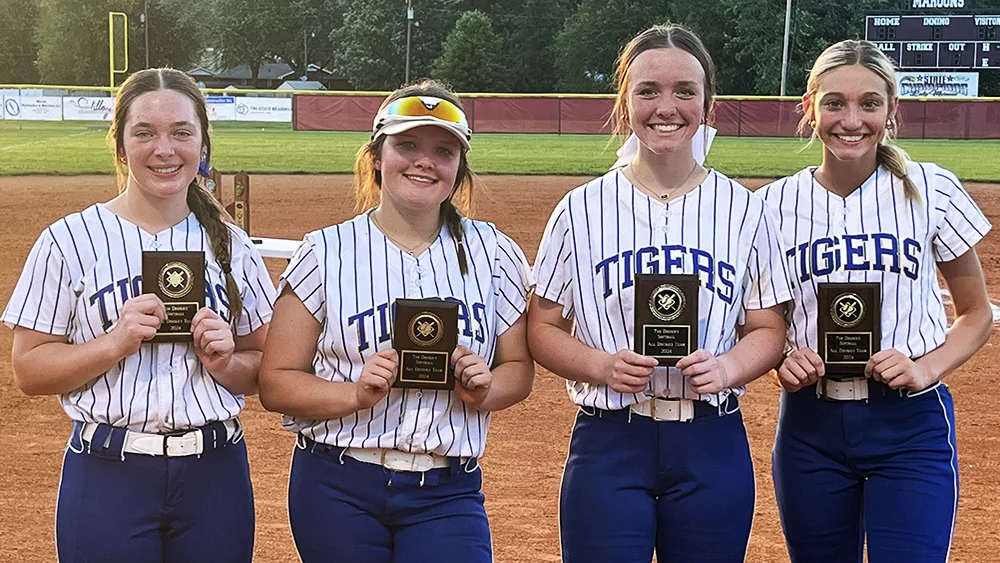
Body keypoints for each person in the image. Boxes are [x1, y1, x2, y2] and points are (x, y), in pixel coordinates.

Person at [527, 23, 793, 563]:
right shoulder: (580, 209)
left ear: (707, 105)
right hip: (609, 441)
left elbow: (768, 328)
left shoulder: (745, 209)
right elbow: (542, 326)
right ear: (624, 103)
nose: (666, 107)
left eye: (684, 91)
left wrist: (727, 368)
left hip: (711, 440)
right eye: (647, 91)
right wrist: (601, 366)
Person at [2, 68, 275, 562]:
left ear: (203, 145)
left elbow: (265, 368)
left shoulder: (234, 245)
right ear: (121, 146)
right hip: (108, 473)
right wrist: (113, 343)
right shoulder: (68, 240)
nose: (164, 149)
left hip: (214, 475)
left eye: (181, 133)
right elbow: (28, 370)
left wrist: (226, 362)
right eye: (145, 133)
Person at [257, 79, 534, 563]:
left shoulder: (495, 252)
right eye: (407, 145)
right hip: (337, 482)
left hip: (447, 488)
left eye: (444, 151)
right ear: (376, 157)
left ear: (458, 168)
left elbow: (519, 369)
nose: (424, 161)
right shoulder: (324, 252)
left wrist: (486, 388)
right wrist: (354, 394)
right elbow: (276, 382)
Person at [759, 39, 994, 563]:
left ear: (891, 110)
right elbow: (758, 322)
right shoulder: (771, 206)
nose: (851, 120)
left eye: (869, 103)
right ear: (809, 107)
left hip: (910, 424)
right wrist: (782, 358)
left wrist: (925, 368)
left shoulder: (930, 189)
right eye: (834, 103)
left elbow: (977, 313)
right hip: (810, 426)